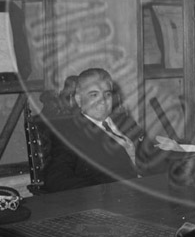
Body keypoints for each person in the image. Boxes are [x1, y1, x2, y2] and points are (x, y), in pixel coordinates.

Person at [43, 68, 173, 192]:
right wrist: (102, 193)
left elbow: (152, 156)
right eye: (94, 95)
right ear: (79, 99)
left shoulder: (125, 121)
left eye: (107, 94)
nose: (103, 101)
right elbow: (56, 177)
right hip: (115, 198)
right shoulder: (69, 133)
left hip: (152, 188)